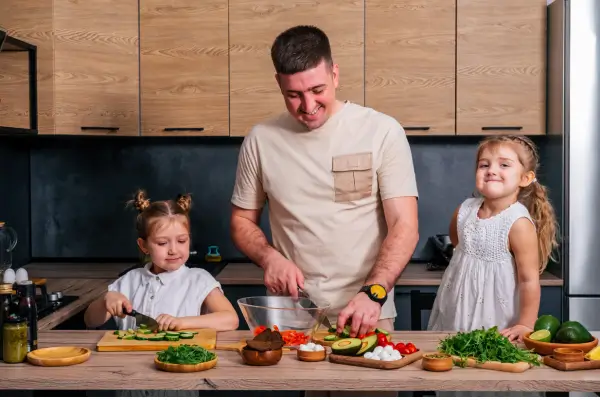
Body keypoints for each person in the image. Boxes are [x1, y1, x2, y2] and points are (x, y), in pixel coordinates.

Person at [230, 24, 419, 341]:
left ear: (335, 74)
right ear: (278, 84)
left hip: (366, 311)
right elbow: (240, 221)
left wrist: (373, 293)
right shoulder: (260, 140)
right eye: (293, 95)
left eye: (317, 90)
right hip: (292, 314)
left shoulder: (382, 131)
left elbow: (404, 226)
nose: (308, 105)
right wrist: (269, 258)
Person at [427, 135, 558, 397]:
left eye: (504, 165)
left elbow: (529, 280)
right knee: (455, 376)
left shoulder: (518, 223)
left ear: (525, 178)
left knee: (490, 381)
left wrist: (525, 324)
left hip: (497, 318)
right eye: (484, 165)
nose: (492, 171)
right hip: (456, 312)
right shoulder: (463, 210)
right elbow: (458, 245)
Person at [84, 189, 239, 397]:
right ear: (144, 245)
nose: (173, 250)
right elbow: (90, 320)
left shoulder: (198, 279)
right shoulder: (130, 280)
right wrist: (106, 300)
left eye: (182, 241)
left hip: (180, 383)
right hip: (129, 381)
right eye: (162, 243)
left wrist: (182, 322)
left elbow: (230, 319)